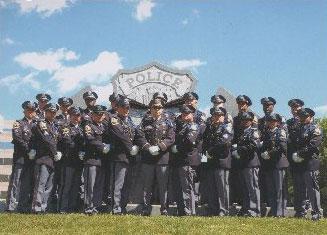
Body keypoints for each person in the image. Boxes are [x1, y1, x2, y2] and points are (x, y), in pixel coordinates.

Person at [138, 98, 175, 215]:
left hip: (162, 158)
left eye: (159, 107)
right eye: (154, 107)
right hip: (148, 158)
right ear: (150, 108)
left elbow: (171, 138)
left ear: (162, 108)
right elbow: (139, 136)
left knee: (163, 186)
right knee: (146, 186)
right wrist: (148, 147)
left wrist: (159, 147)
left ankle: (164, 209)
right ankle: (145, 209)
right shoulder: (145, 121)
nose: (157, 110)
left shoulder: (168, 122)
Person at [108, 97, 141, 215]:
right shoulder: (114, 119)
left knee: (127, 184)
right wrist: (131, 147)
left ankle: (123, 207)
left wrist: (138, 145)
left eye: (128, 107)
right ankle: (116, 208)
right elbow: (120, 134)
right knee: (118, 184)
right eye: (124, 107)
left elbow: (137, 135)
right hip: (120, 157)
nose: (127, 109)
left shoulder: (130, 121)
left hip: (130, 158)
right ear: (118, 107)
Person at [6, 101, 37, 212]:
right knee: (15, 182)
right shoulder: (18, 123)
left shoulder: (36, 124)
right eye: (28, 109)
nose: (30, 112)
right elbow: (17, 138)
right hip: (20, 157)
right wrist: (29, 149)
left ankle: (22, 206)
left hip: (31, 159)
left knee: (26, 183)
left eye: (32, 110)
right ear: (24, 110)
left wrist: (33, 151)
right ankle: (10, 206)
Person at [292, 108, 322, 220]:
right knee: (300, 189)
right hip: (300, 163)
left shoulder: (315, 128)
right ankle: (301, 212)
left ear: (310, 116)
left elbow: (313, 145)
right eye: (301, 117)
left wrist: (299, 153)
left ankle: (316, 213)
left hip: (310, 162)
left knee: (312, 189)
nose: (303, 118)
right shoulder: (299, 129)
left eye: (305, 117)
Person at [30, 103, 61, 214]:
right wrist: (56, 152)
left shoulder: (56, 125)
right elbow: (47, 139)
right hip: (43, 158)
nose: (52, 114)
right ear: (45, 112)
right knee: (40, 185)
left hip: (53, 160)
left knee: (49, 186)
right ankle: (36, 208)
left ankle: (43, 207)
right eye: (50, 111)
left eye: (54, 112)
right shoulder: (41, 123)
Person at [171, 104, 201, 216]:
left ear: (192, 114)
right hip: (180, 160)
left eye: (187, 114)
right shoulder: (182, 127)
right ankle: (182, 211)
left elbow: (189, 140)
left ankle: (189, 212)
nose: (185, 116)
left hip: (188, 160)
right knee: (179, 187)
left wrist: (177, 147)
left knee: (187, 188)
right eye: (183, 114)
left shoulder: (193, 126)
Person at [203, 107, 233, 216]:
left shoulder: (227, 127)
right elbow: (205, 143)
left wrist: (210, 151)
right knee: (211, 187)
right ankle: (212, 209)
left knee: (222, 188)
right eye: (215, 115)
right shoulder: (210, 128)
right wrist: (205, 155)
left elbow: (223, 142)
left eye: (219, 115)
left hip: (221, 161)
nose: (217, 117)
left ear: (223, 116)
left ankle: (223, 210)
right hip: (210, 162)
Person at [231, 111, 261, 217]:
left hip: (251, 162)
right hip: (243, 163)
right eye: (243, 120)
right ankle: (247, 208)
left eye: (247, 120)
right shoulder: (243, 132)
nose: (244, 122)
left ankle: (254, 210)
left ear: (251, 121)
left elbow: (254, 146)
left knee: (252, 187)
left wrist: (239, 150)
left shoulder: (254, 131)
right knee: (245, 187)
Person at [260, 113, 288, 217]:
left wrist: (269, 153)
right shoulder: (267, 132)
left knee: (279, 189)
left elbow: (282, 146)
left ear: (277, 122)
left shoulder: (281, 131)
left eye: (273, 121)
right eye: (269, 121)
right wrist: (263, 152)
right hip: (269, 164)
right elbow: (264, 145)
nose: (271, 123)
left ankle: (280, 212)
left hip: (278, 163)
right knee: (271, 189)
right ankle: (274, 210)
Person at [57, 106, 85, 213]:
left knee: (75, 187)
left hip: (78, 162)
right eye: (74, 115)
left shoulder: (82, 129)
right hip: (68, 161)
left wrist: (83, 150)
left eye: (78, 115)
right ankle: (63, 209)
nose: (76, 117)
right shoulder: (65, 127)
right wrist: (80, 148)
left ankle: (71, 208)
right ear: (70, 116)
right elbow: (67, 142)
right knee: (66, 186)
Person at [83, 105, 109, 215]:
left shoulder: (104, 127)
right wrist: (102, 146)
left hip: (102, 160)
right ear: (92, 115)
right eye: (98, 114)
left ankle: (96, 207)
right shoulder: (89, 126)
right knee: (91, 185)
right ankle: (89, 207)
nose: (100, 116)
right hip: (92, 159)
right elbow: (90, 140)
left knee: (99, 185)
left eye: (102, 114)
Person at [286, 98, 305, 217]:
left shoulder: (306, 121)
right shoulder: (288, 123)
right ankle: (298, 209)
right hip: (292, 157)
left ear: (301, 107)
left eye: (297, 107)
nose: (295, 110)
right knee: (296, 183)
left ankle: (305, 207)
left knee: (304, 183)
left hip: (303, 156)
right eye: (293, 108)